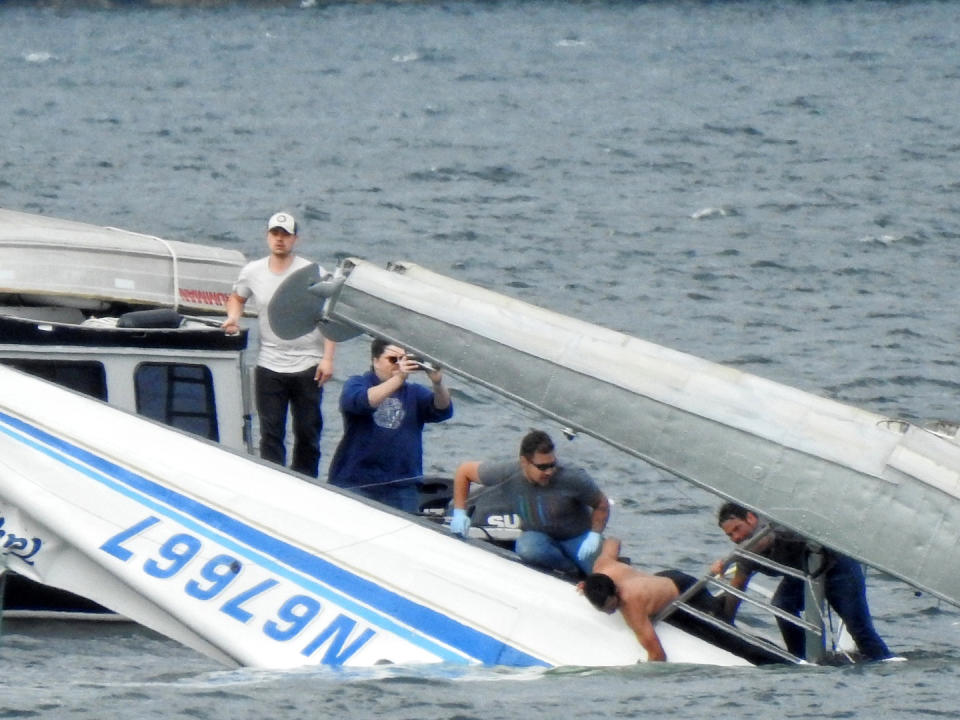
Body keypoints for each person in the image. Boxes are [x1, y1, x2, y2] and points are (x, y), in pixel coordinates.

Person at [222, 211, 335, 478]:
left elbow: (331, 314)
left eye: (285, 235)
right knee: (271, 432)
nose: (280, 240)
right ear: (267, 236)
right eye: (275, 234)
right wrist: (233, 318)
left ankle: (306, 482)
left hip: (308, 362)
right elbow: (237, 298)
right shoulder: (252, 271)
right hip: (269, 363)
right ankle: (274, 482)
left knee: (308, 431)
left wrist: (328, 358)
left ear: (295, 238)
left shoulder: (314, 272)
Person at [712, 501, 892, 661]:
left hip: (837, 566)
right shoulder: (745, 553)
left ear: (751, 518)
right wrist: (726, 623)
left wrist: (731, 558)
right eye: (730, 535)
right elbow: (738, 585)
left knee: (859, 630)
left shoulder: (767, 528)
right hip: (803, 573)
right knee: (782, 605)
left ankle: (884, 661)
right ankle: (800, 658)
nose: (735, 538)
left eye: (737, 529)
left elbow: (766, 541)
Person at [450, 429, 610, 576]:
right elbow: (464, 471)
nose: (549, 471)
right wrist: (459, 512)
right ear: (524, 462)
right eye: (543, 467)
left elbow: (601, 504)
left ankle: (587, 569)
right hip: (539, 538)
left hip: (578, 538)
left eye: (552, 464)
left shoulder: (572, 477)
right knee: (527, 548)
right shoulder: (508, 471)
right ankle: (572, 571)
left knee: (605, 575)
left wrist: (594, 535)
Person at [327, 339, 453, 511]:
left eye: (403, 359)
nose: (398, 365)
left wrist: (438, 383)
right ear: (375, 360)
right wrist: (399, 378)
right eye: (393, 360)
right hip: (356, 481)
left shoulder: (414, 392)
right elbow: (363, 401)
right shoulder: (357, 383)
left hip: (402, 485)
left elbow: (443, 409)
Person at [581, 537, 681, 661]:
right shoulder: (603, 567)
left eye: (612, 606)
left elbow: (658, 655)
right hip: (660, 581)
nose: (609, 612)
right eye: (604, 609)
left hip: (682, 591)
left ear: (617, 591)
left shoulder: (631, 605)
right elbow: (613, 540)